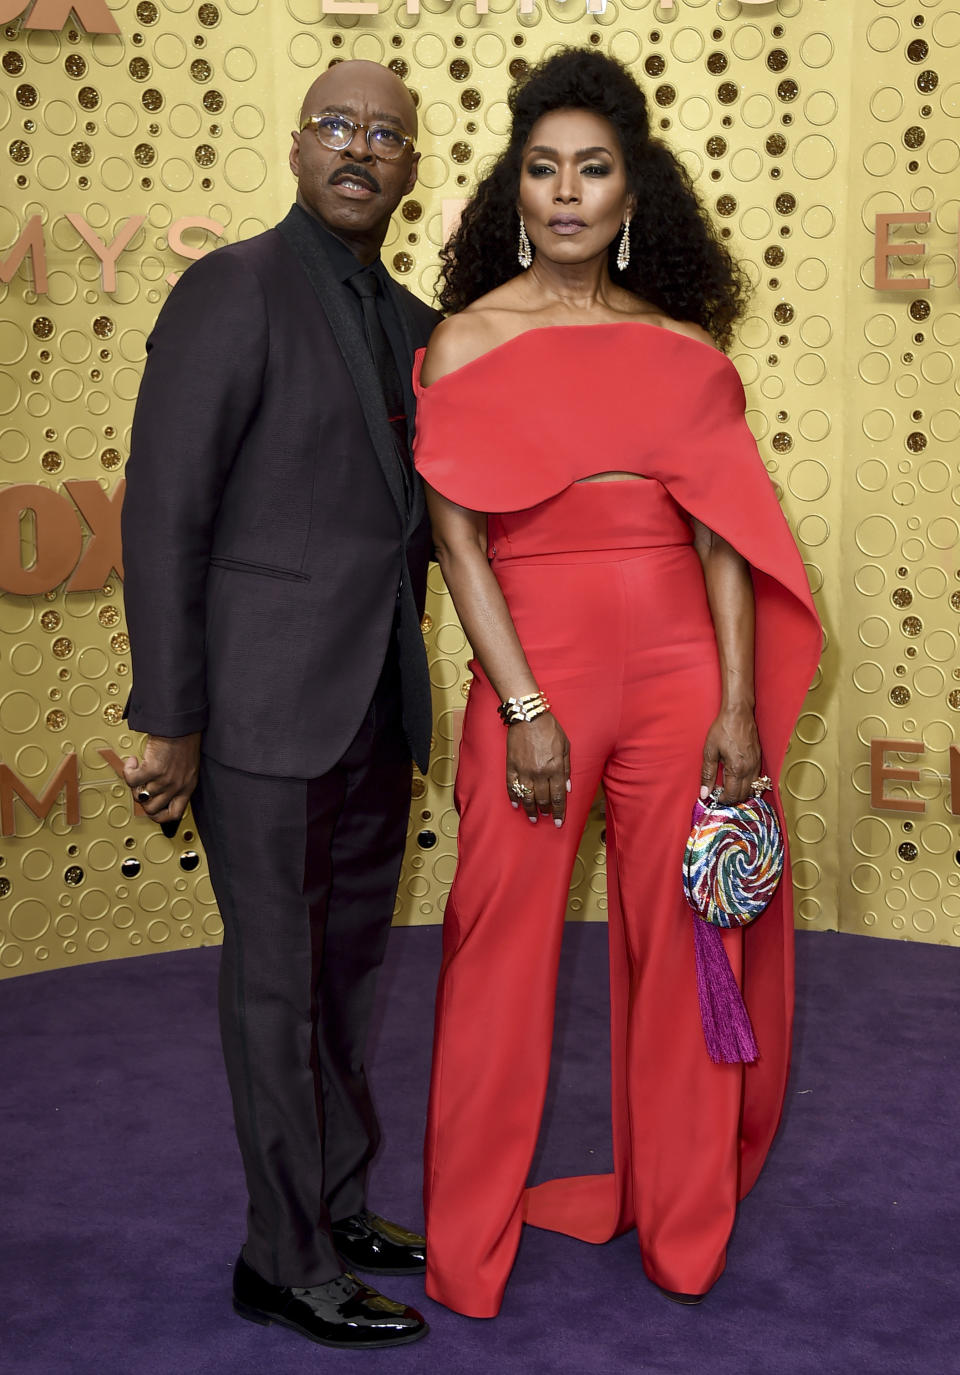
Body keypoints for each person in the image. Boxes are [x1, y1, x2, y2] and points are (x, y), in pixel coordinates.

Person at [412, 48, 822, 1318]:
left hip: (682, 685)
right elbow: (457, 542)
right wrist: (525, 705)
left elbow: (721, 541)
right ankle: (465, 1248)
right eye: (544, 169)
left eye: (593, 167)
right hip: (536, 677)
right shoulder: (462, 343)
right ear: (514, 192)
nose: (568, 191)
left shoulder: (685, 349)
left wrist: (739, 710)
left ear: (632, 190)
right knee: (496, 961)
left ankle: (684, 1228)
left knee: (690, 946)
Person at [121, 60, 440, 1350]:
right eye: (338, 128)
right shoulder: (231, 289)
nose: (360, 150)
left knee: (350, 976)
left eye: (386, 135)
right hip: (255, 715)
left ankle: (341, 1205)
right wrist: (171, 714)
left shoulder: (421, 324)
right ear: (298, 145)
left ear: (413, 166)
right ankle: (282, 1255)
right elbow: (163, 516)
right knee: (275, 988)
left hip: (377, 708)